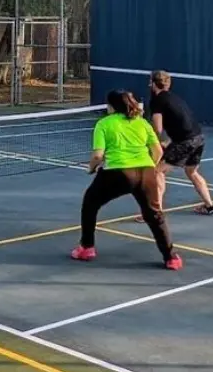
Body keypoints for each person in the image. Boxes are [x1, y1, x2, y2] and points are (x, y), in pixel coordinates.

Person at [72, 89, 183, 271]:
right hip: (146, 172)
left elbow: (98, 156)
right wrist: (150, 169)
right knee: (154, 215)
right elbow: (158, 152)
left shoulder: (104, 124)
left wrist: (91, 169)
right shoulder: (142, 123)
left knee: (90, 203)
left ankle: (86, 248)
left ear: (111, 107)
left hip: (118, 172)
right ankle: (171, 258)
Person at [145, 69, 213, 217]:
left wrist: (150, 141)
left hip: (185, 141)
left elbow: (157, 128)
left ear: (153, 84)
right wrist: (169, 141)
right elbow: (184, 122)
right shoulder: (174, 98)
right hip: (198, 138)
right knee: (192, 171)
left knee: (157, 172)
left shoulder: (157, 101)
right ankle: (210, 207)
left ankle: (155, 212)